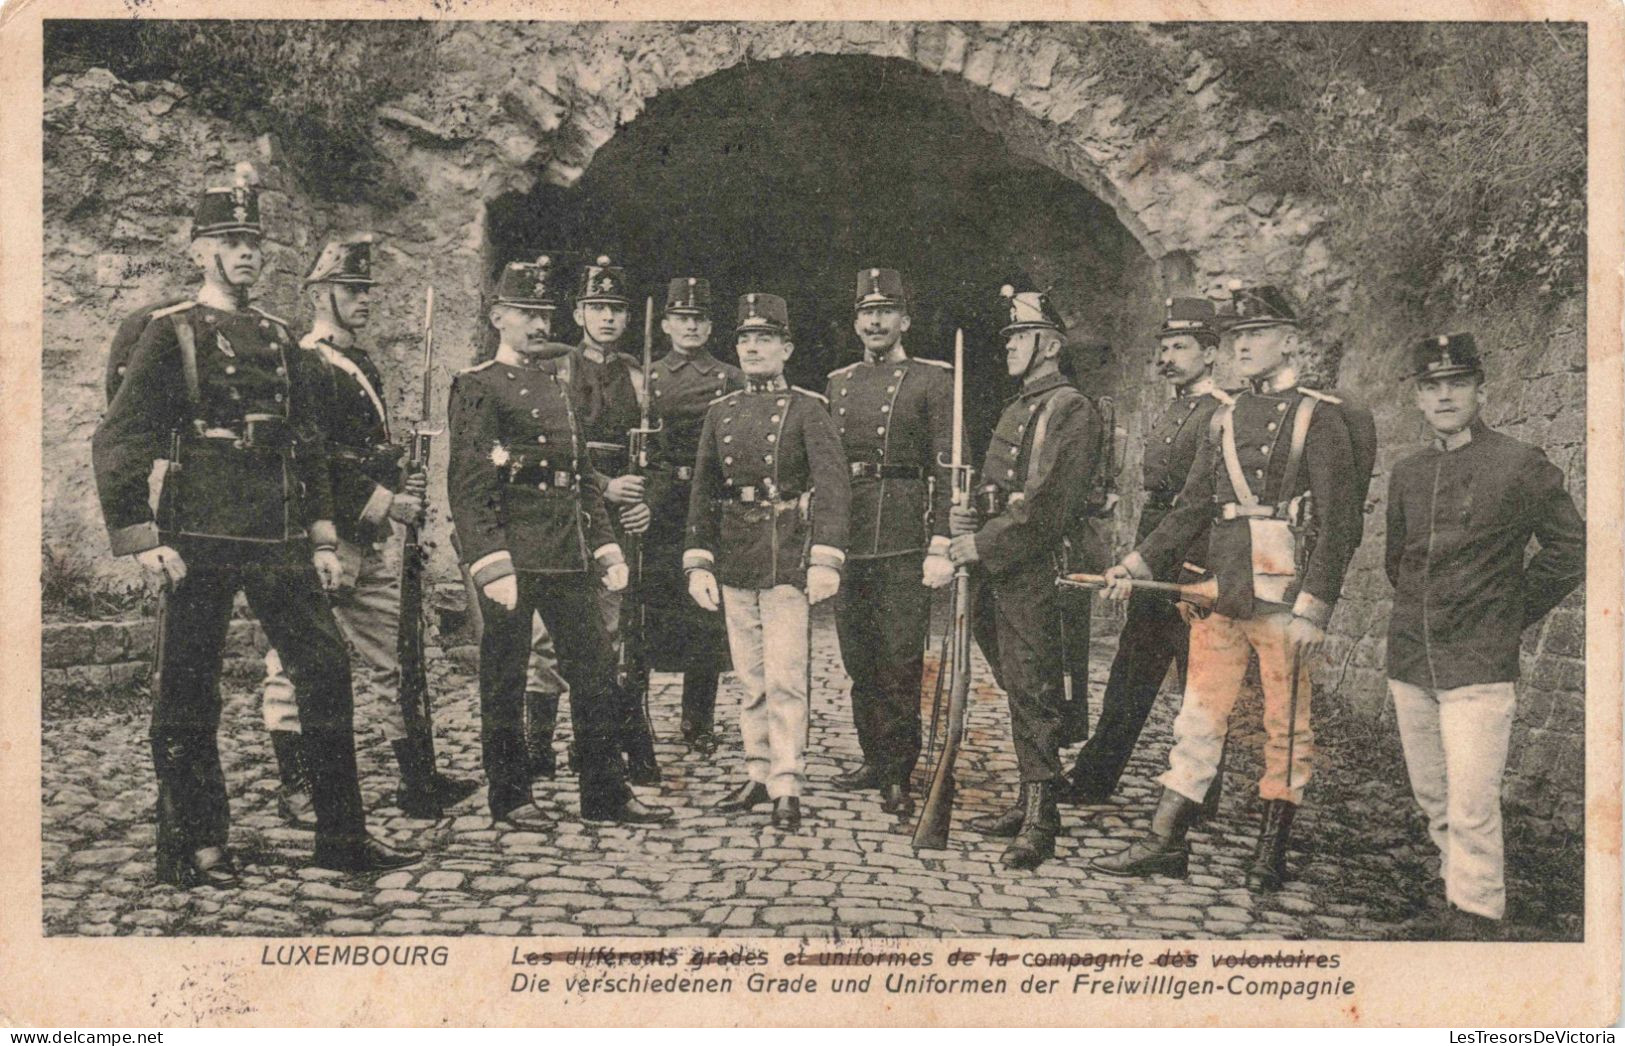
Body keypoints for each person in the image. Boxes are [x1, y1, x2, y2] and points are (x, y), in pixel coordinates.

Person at [91, 164, 417, 885]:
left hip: (277, 534)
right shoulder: (169, 333)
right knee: (187, 689)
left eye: (253, 242)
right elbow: (120, 439)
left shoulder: (278, 336)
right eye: (230, 240)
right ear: (199, 250)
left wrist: (325, 536)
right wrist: (143, 539)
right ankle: (197, 842)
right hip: (198, 533)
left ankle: (342, 835)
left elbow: (308, 447)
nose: (246, 254)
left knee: (326, 670)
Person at [1093, 284, 1366, 890]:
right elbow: (1191, 507)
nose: (1242, 345)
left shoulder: (1318, 417)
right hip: (1223, 592)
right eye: (1236, 337)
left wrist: (1315, 608)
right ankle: (1165, 840)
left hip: (1284, 598)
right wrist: (1136, 564)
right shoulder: (1224, 416)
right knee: (1197, 716)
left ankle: (1271, 851)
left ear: (1289, 341)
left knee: (1285, 723)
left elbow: (1341, 523)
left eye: (1257, 334)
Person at [446, 256, 672, 827]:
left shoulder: (558, 386)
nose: (538, 325)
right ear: (499, 317)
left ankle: (604, 790)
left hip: (567, 553)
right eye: (526, 313)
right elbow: (471, 484)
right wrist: (489, 561)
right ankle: (511, 794)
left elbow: (578, 480)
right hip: (514, 558)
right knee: (505, 674)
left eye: (545, 314)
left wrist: (605, 547)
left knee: (595, 670)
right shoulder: (478, 387)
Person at [259, 235, 478, 824]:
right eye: (351, 291)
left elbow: (365, 451)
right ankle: (298, 786)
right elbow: (314, 456)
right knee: (292, 662)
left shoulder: (361, 361)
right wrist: (384, 501)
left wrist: (398, 473)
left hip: (373, 536)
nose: (363, 300)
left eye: (366, 291)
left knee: (393, 659)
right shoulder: (306, 361)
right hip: (328, 535)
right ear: (320, 293)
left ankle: (417, 780)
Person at [1385, 333, 1583, 940]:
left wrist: (1506, 611)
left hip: (1479, 659)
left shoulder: (1519, 464)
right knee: (1433, 796)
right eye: (1431, 386)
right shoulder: (1409, 473)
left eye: (1458, 384)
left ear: (1480, 390)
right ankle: (1455, 898)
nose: (1444, 396)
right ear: (1419, 398)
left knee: (1472, 801)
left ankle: (1477, 915)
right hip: (1412, 656)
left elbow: (1572, 548)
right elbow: (1398, 559)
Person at [946, 284, 1103, 870]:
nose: (1009, 346)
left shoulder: (1071, 408)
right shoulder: (1020, 406)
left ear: (1051, 344)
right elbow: (1002, 489)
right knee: (1014, 679)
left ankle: (1042, 816)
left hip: (1038, 565)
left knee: (1035, 684)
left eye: (1021, 336)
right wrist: (972, 514)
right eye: (1010, 337)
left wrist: (980, 543)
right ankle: (1027, 794)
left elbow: (1047, 502)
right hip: (1001, 563)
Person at [684, 292, 851, 831]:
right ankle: (757, 772)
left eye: (765, 340)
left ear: (787, 348)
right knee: (749, 677)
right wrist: (699, 561)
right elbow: (705, 489)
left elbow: (832, 485)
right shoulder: (721, 412)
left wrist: (825, 558)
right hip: (735, 552)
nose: (753, 349)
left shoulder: (807, 408)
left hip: (785, 555)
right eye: (745, 340)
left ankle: (787, 781)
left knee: (784, 677)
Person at [1064, 298, 1231, 807]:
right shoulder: (1171, 410)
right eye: (1163, 347)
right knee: (1132, 668)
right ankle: (1095, 776)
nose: (1167, 357)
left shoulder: (1223, 412)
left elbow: (1201, 502)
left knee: (1197, 682)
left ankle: (1199, 794)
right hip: (1156, 546)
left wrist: (1145, 558)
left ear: (1211, 352)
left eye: (1180, 347)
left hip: (1198, 557)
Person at [824, 268, 954, 818]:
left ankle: (899, 770)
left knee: (900, 658)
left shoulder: (933, 380)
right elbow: (826, 468)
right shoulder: (838, 383)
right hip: (849, 533)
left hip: (904, 529)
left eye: (885, 312)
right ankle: (873, 757)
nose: (875, 322)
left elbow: (949, 466)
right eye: (865, 313)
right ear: (856, 322)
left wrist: (943, 537)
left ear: (905, 320)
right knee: (859, 657)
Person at [538, 254, 660, 784]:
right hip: (568, 507)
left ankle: (603, 742)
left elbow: (658, 453)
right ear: (578, 312)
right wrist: (603, 486)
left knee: (613, 629)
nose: (607, 318)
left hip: (620, 513)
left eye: (616, 309)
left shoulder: (637, 376)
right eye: (597, 307)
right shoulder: (557, 367)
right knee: (547, 635)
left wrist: (642, 495)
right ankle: (536, 744)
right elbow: (550, 443)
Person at [642, 277, 745, 755]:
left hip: (706, 500)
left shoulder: (729, 377)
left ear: (710, 326)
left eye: (699, 319)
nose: (690, 326)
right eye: (681, 319)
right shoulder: (645, 375)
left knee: (705, 611)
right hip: (658, 502)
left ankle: (697, 719)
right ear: (665, 325)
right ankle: (634, 713)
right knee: (647, 605)